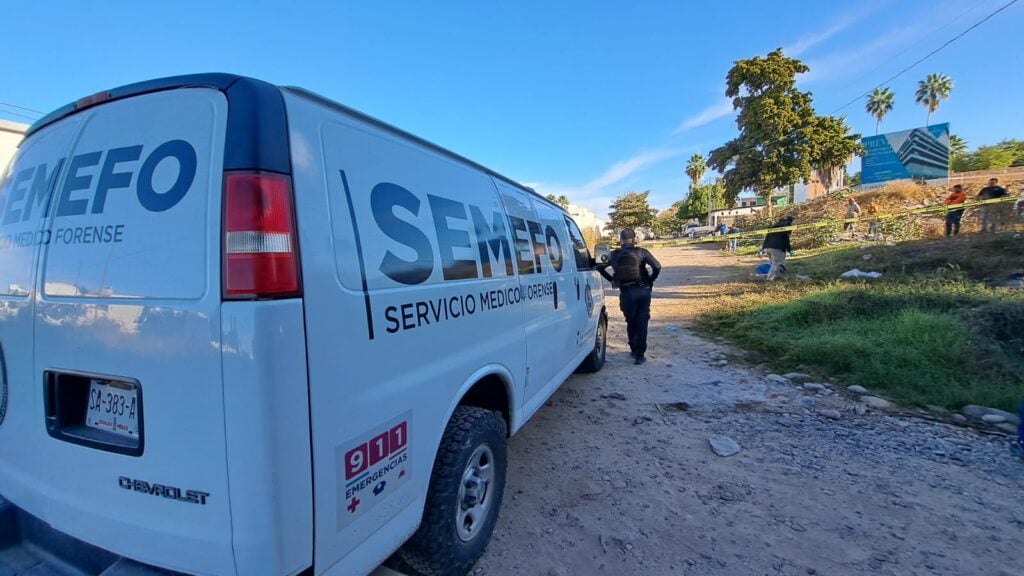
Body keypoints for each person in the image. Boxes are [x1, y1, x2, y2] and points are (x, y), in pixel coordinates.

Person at [597, 228, 661, 364]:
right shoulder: (642, 252)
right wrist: (651, 279)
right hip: (644, 290)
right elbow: (657, 266)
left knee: (631, 321)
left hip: (626, 292)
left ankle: (633, 348)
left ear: (620, 241)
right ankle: (640, 355)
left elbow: (600, 267)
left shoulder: (614, 255)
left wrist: (612, 280)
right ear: (634, 240)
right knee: (642, 321)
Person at [761, 215, 794, 281]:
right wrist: (789, 249)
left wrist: (763, 247)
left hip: (768, 247)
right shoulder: (786, 226)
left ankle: (777, 277)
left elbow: (767, 237)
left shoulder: (774, 226)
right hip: (777, 248)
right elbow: (786, 239)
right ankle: (769, 279)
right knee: (776, 264)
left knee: (773, 263)